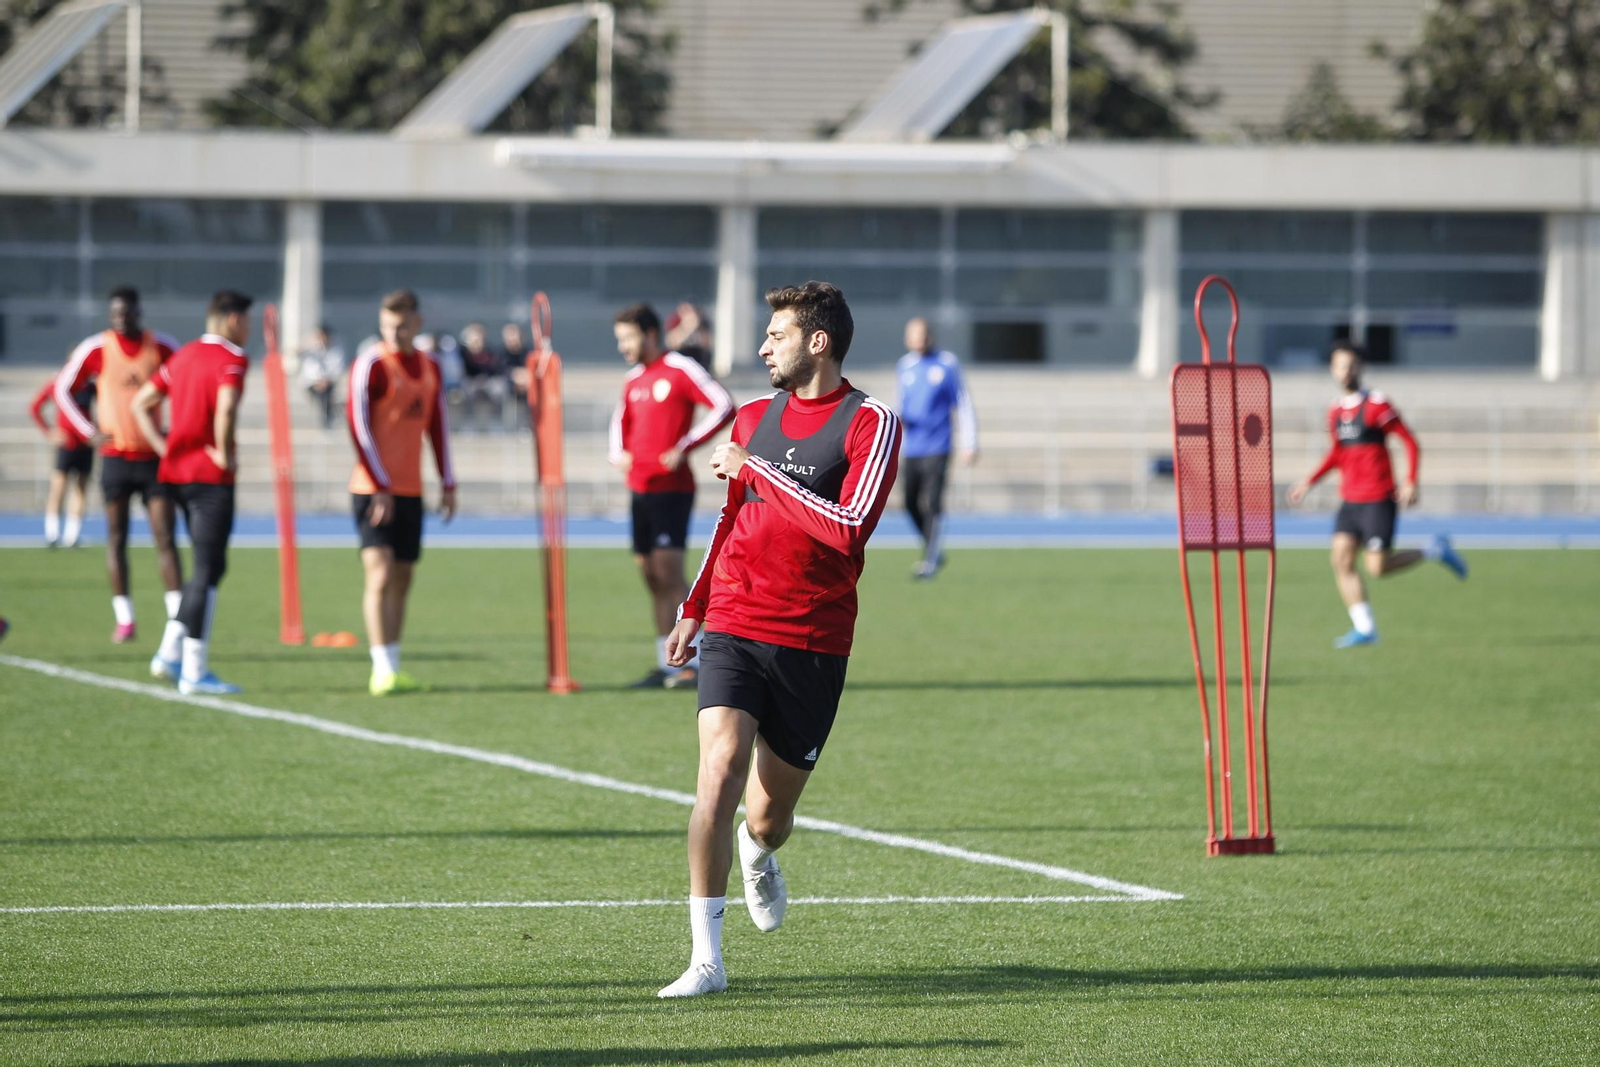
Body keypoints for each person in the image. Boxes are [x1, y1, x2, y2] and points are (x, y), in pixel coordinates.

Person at [656, 281, 901, 998]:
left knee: (767, 814)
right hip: (735, 617)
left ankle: (760, 851)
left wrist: (759, 468)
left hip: (814, 635)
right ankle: (706, 958)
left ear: (817, 341)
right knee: (719, 768)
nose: (763, 346)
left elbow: (850, 524)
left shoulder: (870, 420)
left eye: (776, 335)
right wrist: (694, 605)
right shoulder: (752, 413)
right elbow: (731, 520)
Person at [1288, 342, 1468, 647]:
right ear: (1333, 369)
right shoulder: (1335, 411)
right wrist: (1310, 481)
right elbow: (1338, 454)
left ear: (1361, 367)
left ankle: (1432, 550)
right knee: (1341, 561)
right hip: (1350, 499)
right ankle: (1365, 628)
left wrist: (1410, 480)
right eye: (1340, 365)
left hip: (1378, 497)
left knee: (1377, 568)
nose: (1345, 371)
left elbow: (1410, 442)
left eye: (1351, 365)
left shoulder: (1377, 405)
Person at [132, 290, 252, 695]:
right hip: (209, 479)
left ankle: (169, 652)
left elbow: (140, 402)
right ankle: (193, 670)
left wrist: (164, 447)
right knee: (206, 570)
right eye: (247, 321)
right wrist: (222, 450)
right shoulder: (232, 359)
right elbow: (228, 407)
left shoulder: (181, 357)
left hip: (173, 474)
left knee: (210, 569)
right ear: (234, 320)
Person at [609, 303, 734, 689]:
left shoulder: (680, 368)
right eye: (619, 340)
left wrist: (684, 445)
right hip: (640, 490)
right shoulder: (633, 380)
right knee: (649, 574)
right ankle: (667, 664)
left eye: (628, 338)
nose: (623, 346)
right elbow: (620, 423)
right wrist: (619, 453)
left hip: (671, 490)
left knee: (669, 573)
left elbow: (723, 404)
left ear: (650, 334)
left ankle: (692, 662)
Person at [54, 286, 185, 643]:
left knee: (165, 535)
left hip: (154, 459)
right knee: (116, 537)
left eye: (127, 312)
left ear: (138, 312)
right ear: (110, 316)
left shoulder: (161, 346)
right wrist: (88, 430)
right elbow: (63, 389)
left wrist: (177, 430)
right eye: (115, 314)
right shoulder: (96, 348)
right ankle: (125, 619)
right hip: (115, 458)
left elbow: (187, 382)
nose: (121, 319)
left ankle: (178, 619)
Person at [347, 289, 457, 696]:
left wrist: (447, 481)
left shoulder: (431, 366)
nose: (395, 330)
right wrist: (380, 485)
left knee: (403, 578)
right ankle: (379, 669)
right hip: (372, 490)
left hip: (410, 491)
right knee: (379, 574)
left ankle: (393, 665)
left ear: (417, 323)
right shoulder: (372, 364)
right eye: (388, 323)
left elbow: (438, 426)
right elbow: (357, 426)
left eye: (403, 323)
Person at [895, 317, 977, 579]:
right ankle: (933, 547)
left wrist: (970, 442)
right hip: (912, 448)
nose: (917, 339)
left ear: (930, 336)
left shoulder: (946, 364)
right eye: (913, 335)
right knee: (909, 502)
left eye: (921, 334)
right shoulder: (905, 366)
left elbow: (962, 403)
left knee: (932, 502)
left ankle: (930, 560)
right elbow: (902, 406)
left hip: (938, 445)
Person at [29, 377, 94, 548]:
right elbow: (35, 408)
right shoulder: (58, 384)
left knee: (81, 489)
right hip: (66, 445)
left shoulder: (89, 385)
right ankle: (52, 534)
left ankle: (72, 536)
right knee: (58, 488)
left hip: (86, 445)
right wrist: (49, 432)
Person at [458, 323, 508, 431]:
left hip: (487, 383)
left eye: (479, 338)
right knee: (465, 390)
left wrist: (485, 379)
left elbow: (497, 371)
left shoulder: (490, 353)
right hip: (469, 384)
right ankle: (468, 423)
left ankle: (496, 422)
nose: (477, 341)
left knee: (499, 388)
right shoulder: (461, 353)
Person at [298, 326, 346, 429]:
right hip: (311, 384)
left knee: (325, 394)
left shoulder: (336, 350)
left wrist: (325, 381)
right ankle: (327, 417)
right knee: (323, 396)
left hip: (327, 384)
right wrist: (308, 341)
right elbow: (294, 351)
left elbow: (337, 370)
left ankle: (327, 418)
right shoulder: (311, 348)